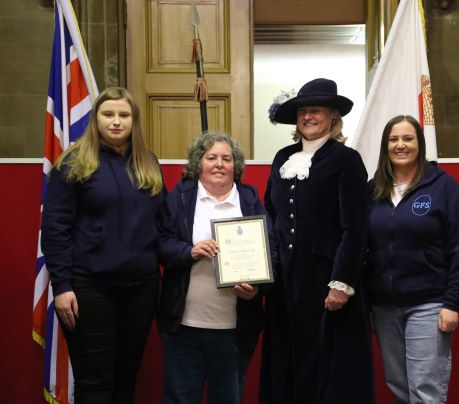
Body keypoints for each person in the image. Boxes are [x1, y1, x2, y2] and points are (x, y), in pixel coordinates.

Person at [41, 87, 169, 404]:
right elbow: (55, 229)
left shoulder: (148, 163)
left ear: (133, 121)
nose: (115, 122)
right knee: (95, 383)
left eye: (123, 115)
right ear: (95, 118)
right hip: (88, 287)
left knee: (126, 380)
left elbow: (163, 223)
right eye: (108, 114)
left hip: (140, 288)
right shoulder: (72, 163)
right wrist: (62, 286)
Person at [260, 78, 375, 403]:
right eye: (303, 112)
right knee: (288, 358)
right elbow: (271, 215)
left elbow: (356, 228)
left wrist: (341, 282)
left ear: (333, 118)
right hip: (286, 284)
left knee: (327, 364)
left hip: (326, 281)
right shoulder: (283, 157)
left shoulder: (345, 159)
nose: (308, 117)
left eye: (316, 111)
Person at [157, 132, 276, 404]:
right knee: (180, 398)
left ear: (236, 165)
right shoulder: (181, 198)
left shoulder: (249, 200)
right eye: (211, 158)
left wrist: (256, 291)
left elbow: (272, 253)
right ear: (199, 163)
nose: (219, 164)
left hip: (233, 329)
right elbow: (161, 244)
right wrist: (189, 251)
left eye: (226, 158)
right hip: (183, 325)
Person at [365, 115, 459, 403]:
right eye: (393, 139)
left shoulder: (444, 188)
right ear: (385, 145)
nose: (400, 145)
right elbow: (360, 247)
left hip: (429, 305)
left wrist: (452, 302)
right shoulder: (373, 190)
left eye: (408, 139)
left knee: (426, 391)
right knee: (399, 386)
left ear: (420, 144)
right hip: (384, 308)